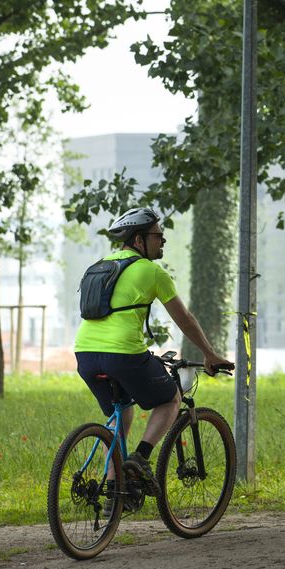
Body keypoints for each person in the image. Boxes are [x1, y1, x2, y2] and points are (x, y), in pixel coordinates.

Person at [74, 207, 232, 510]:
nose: (163, 241)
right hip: (122, 353)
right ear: (138, 239)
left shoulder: (100, 265)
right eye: (158, 236)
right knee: (171, 398)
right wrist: (210, 354)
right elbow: (184, 319)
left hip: (85, 354)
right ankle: (140, 459)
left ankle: (114, 491)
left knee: (122, 413)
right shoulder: (152, 271)